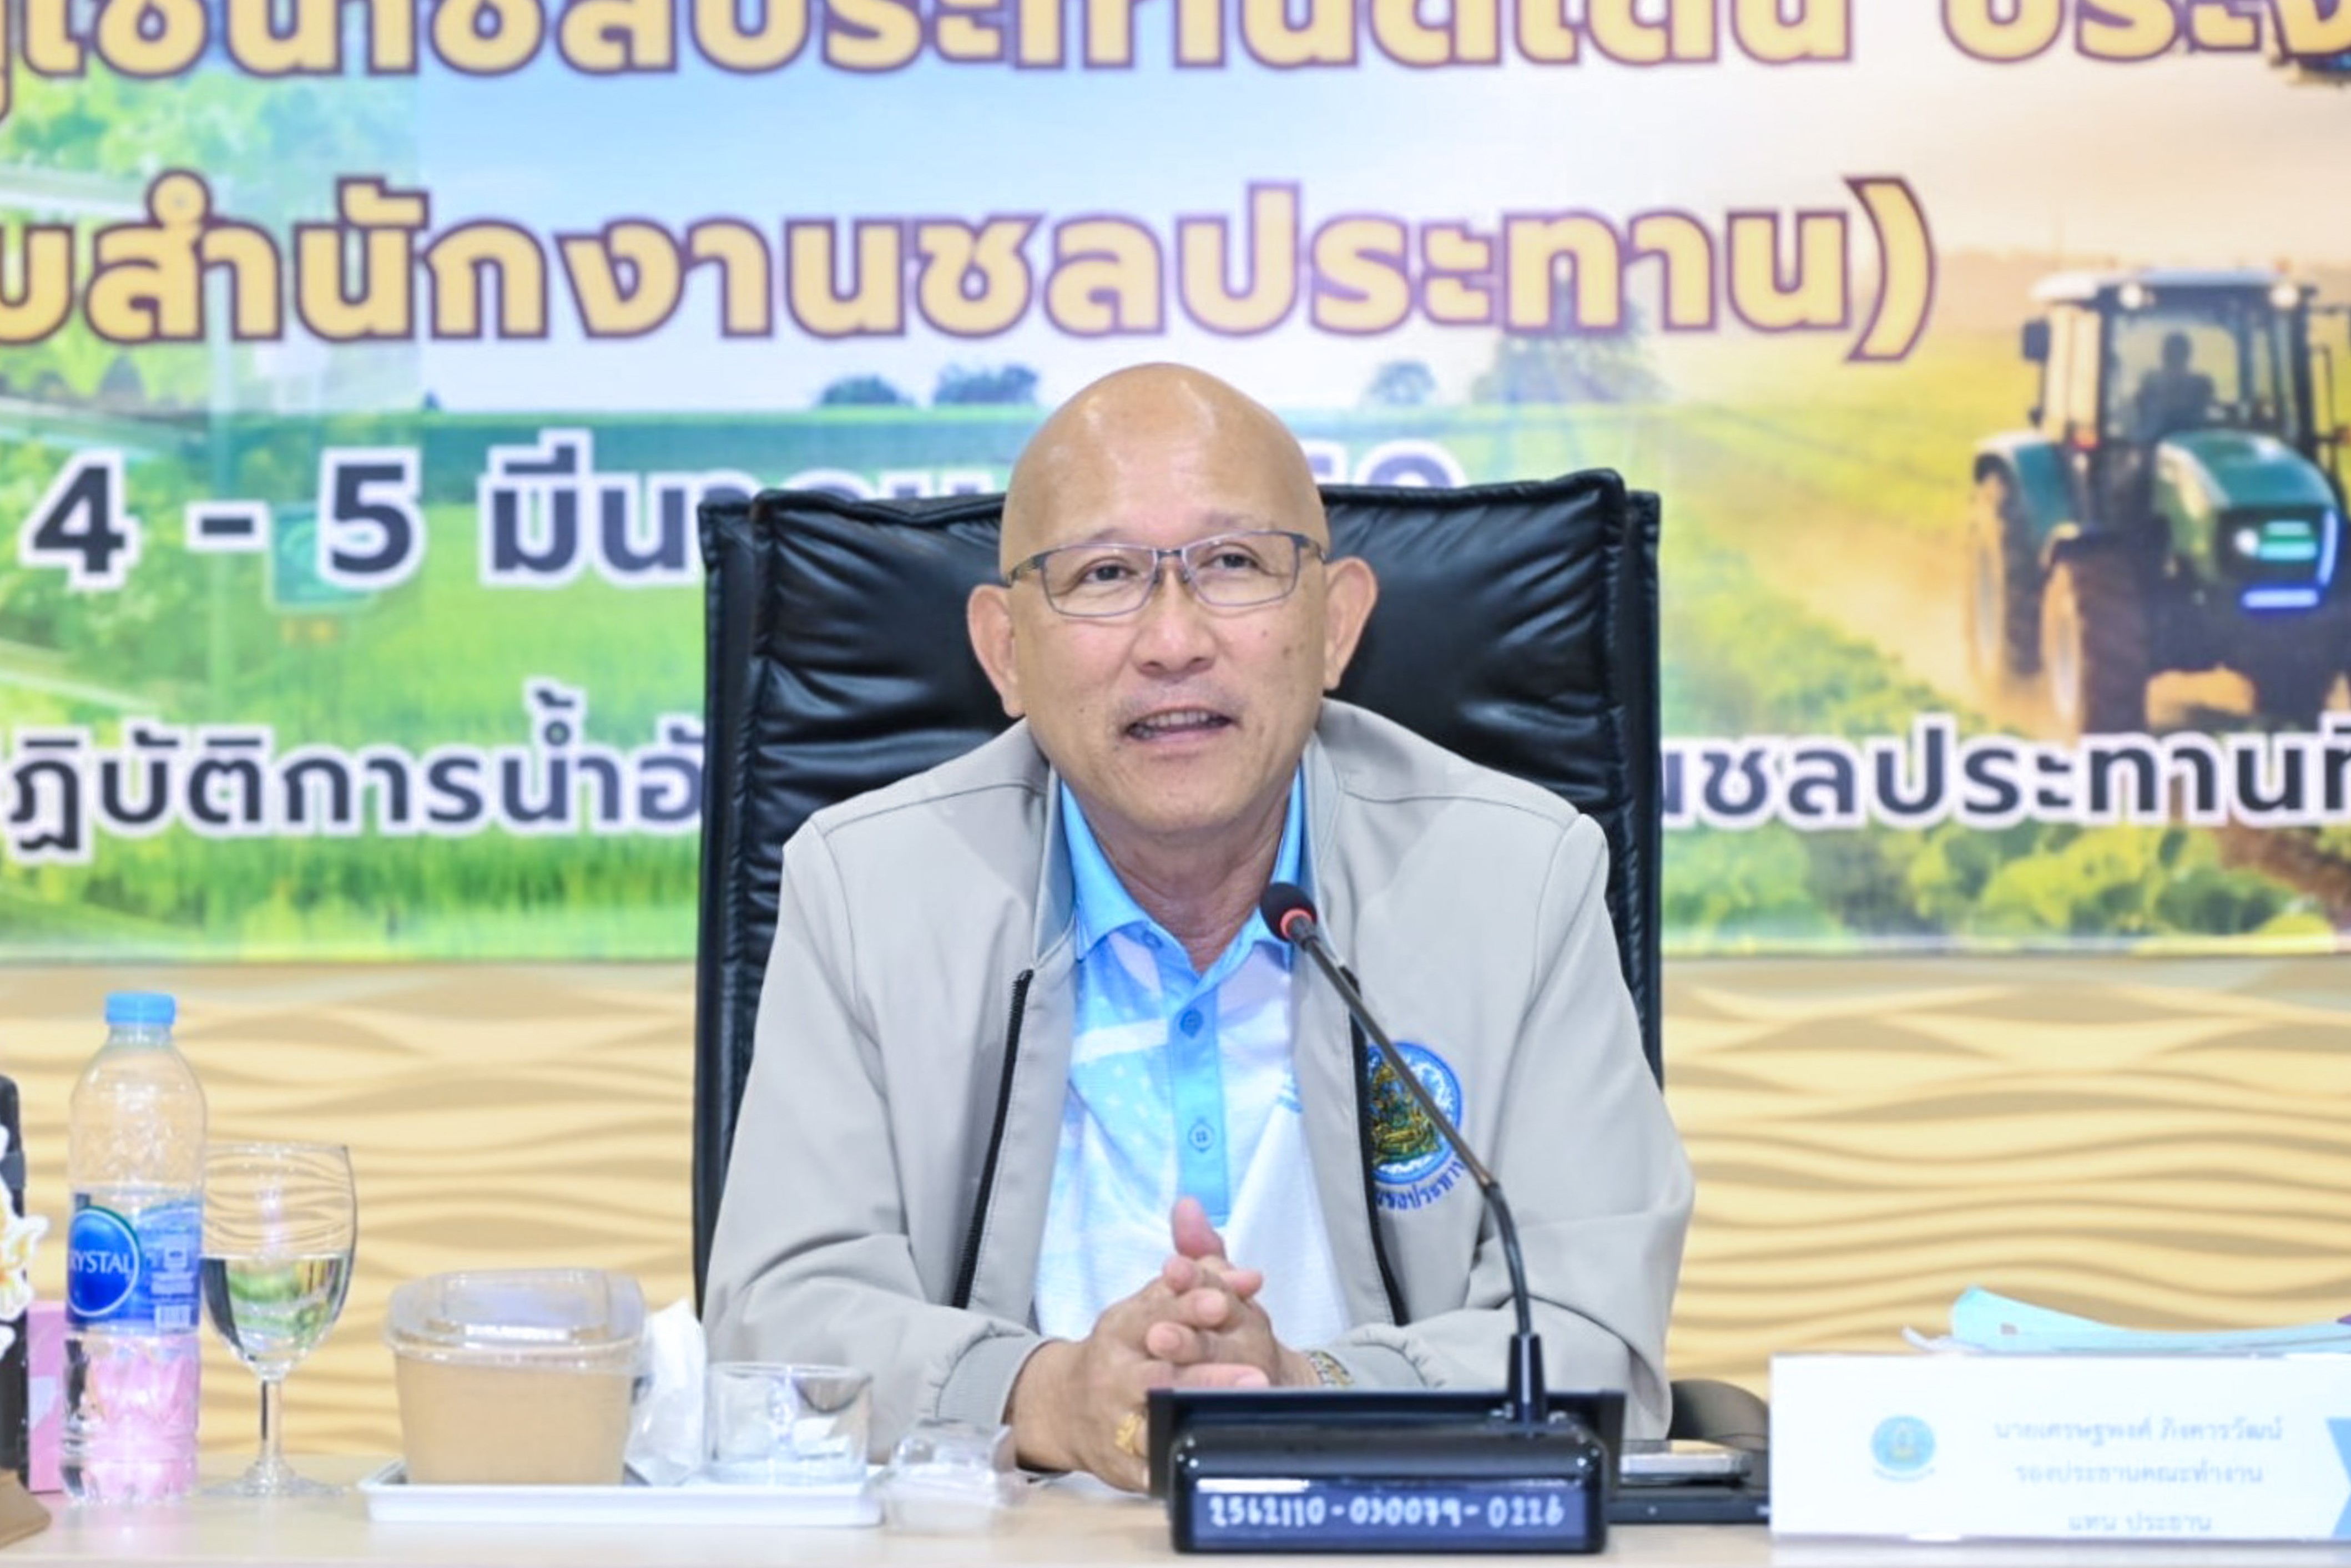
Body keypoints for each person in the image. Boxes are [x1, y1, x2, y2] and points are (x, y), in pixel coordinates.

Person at [702, 363, 1692, 1491]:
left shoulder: (1519, 878)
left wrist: (1312, 1395)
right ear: (1006, 651)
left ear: (1336, 623)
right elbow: (778, 1323)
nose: (1173, 640)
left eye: (1232, 564)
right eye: (1106, 574)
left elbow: (1594, 1340)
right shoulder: (867, 889)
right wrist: (1049, 1398)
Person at [2133, 330, 2214, 441]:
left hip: (2190, 444)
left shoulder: (2201, 384)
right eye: (2172, 353)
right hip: (2153, 442)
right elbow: (2140, 413)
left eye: (2178, 354)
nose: (2175, 357)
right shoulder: (2151, 381)